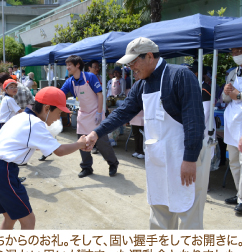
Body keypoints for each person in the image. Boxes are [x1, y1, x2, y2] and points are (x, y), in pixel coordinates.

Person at [84, 37, 208, 229]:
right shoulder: (141, 85)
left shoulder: (180, 75)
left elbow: (194, 120)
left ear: (149, 56)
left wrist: (190, 158)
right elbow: (123, 112)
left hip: (183, 158)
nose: (130, 67)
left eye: (134, 61)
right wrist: (96, 133)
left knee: (187, 212)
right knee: (159, 210)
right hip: (158, 160)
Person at [0, 86, 87, 229]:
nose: (59, 118)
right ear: (47, 108)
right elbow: (60, 151)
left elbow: (34, 144)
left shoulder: (21, 117)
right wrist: (80, 144)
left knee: (9, 218)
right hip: (4, 172)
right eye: (59, 113)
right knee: (28, 220)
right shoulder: (35, 123)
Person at [61, 55, 119, 178]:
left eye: (69, 65)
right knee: (82, 142)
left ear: (77, 65)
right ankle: (86, 167)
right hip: (83, 114)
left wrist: (99, 113)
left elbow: (100, 95)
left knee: (102, 142)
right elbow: (61, 94)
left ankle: (113, 163)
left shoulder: (90, 77)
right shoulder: (70, 81)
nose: (67, 68)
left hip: (95, 113)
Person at [222, 46, 242, 213]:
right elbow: (226, 99)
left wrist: (239, 95)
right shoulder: (232, 73)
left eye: (239, 51)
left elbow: (238, 96)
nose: (235, 55)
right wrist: (226, 92)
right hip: (232, 123)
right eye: (233, 52)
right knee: (234, 162)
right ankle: (239, 193)